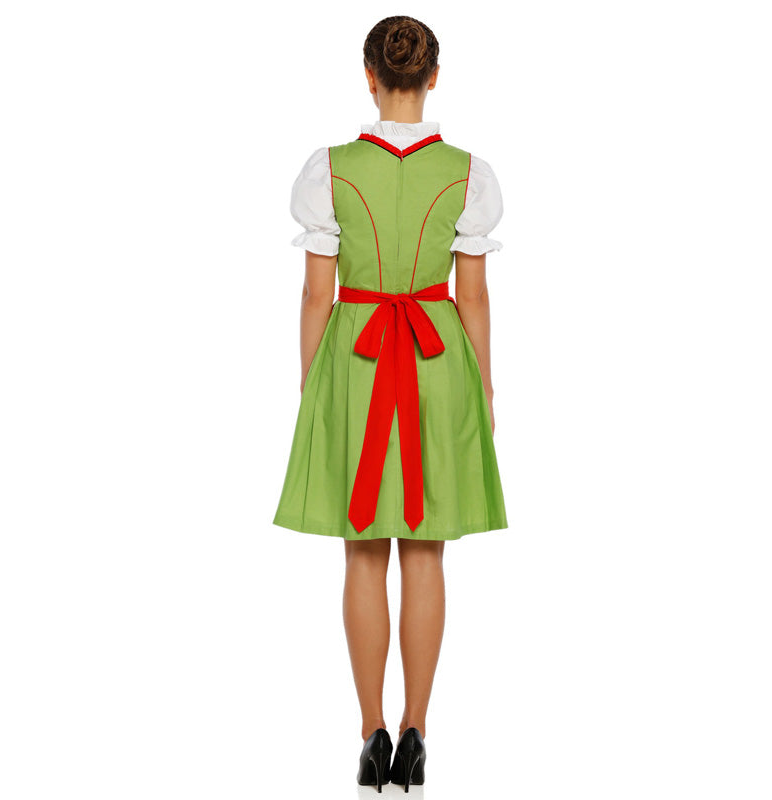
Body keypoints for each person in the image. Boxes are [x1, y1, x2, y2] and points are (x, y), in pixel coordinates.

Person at [272, 15, 509, 792]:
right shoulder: (467, 175)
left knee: (364, 551)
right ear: (432, 77)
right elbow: (473, 296)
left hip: (359, 359)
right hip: (438, 361)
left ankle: (370, 730)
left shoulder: (330, 170)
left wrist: (314, 385)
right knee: (427, 551)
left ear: (369, 76)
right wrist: (485, 385)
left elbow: (317, 295)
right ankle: (416, 730)